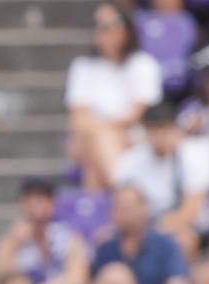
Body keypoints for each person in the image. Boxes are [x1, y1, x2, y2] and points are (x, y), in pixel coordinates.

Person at [66, 2, 162, 190]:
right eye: (98, 26)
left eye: (109, 25)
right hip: (91, 135)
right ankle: (122, 193)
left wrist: (104, 129)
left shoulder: (144, 64)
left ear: (126, 29)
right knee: (96, 139)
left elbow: (137, 114)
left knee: (95, 154)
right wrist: (103, 130)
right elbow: (77, 115)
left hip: (134, 134)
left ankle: (106, 202)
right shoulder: (83, 65)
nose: (102, 32)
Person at [111, 102, 209, 259]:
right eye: (154, 130)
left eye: (164, 129)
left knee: (182, 240)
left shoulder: (192, 156)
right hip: (142, 226)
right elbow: (120, 202)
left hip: (185, 227)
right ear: (145, 131)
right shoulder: (130, 161)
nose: (160, 136)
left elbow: (191, 210)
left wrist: (153, 231)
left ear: (174, 129)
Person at [0, 178, 89, 284]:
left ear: (51, 204)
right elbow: (0, 278)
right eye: (30, 200)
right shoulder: (8, 241)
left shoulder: (68, 238)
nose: (35, 207)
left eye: (41, 200)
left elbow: (77, 278)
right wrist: (15, 243)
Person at [91, 185, 189, 284]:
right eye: (119, 208)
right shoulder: (106, 248)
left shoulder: (165, 244)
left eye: (129, 207)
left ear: (144, 208)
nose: (125, 213)